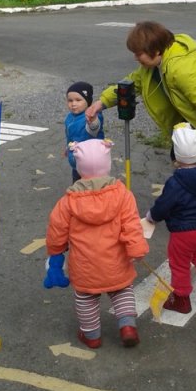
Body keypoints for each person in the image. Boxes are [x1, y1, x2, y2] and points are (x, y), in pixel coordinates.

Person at [86, 21, 196, 242]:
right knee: (183, 163)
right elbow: (131, 83)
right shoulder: (152, 66)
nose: (136, 58)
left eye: (139, 54)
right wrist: (102, 102)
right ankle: (187, 214)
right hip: (195, 116)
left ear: (156, 50)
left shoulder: (180, 69)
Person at [45, 138, 149, 348]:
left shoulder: (68, 202)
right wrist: (136, 248)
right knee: (122, 291)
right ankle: (127, 326)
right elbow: (131, 224)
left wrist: (55, 252)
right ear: (107, 164)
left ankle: (92, 335)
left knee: (86, 298)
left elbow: (56, 231)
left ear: (79, 168)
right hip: (116, 261)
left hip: (85, 265)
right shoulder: (123, 195)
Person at [145, 123, 196, 314]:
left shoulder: (176, 182)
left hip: (183, 231)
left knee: (179, 264)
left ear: (176, 157)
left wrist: (152, 217)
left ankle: (181, 299)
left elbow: (164, 205)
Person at [64, 81, 105, 182]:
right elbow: (70, 135)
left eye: (78, 100)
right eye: (70, 100)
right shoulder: (70, 117)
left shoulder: (92, 116)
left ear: (88, 101)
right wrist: (68, 147)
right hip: (76, 163)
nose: (73, 104)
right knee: (77, 185)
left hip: (91, 164)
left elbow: (94, 128)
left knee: (91, 189)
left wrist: (93, 120)